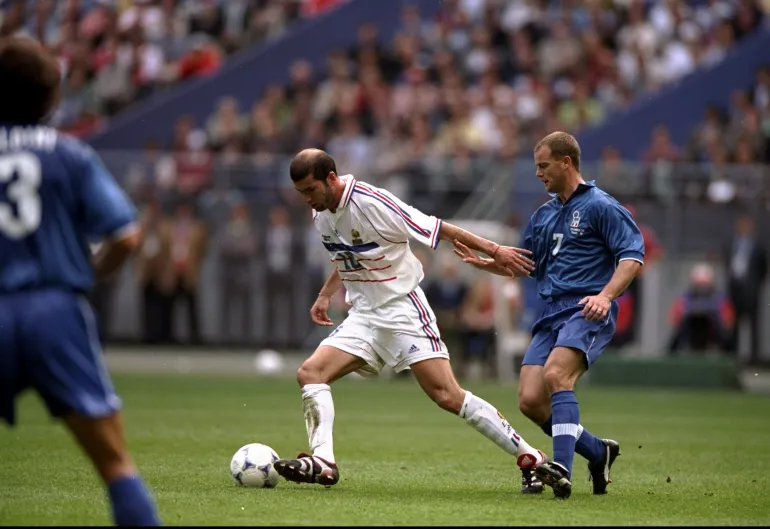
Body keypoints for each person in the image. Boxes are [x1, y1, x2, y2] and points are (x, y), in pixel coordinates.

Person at [273, 148, 548, 489]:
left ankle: (531, 457)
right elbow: (347, 257)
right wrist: (326, 294)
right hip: (365, 317)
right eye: (301, 193)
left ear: (331, 178)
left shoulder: (374, 203)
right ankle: (324, 462)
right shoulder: (322, 214)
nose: (307, 200)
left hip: (403, 309)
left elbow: (441, 229)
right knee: (311, 374)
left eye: (310, 190)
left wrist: (495, 250)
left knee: (447, 395)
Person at [0, 38, 161, 526]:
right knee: (114, 463)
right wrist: (85, 273)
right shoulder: (69, 155)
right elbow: (127, 236)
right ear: (51, 97)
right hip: (55, 309)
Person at [454, 132, 644, 499]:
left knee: (557, 374)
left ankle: (560, 471)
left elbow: (632, 257)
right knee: (529, 400)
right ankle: (597, 451)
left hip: (586, 308)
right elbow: (529, 265)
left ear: (566, 162)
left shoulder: (601, 206)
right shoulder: (543, 214)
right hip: (550, 312)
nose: (538, 173)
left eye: (543, 166)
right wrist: (488, 264)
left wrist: (605, 297)